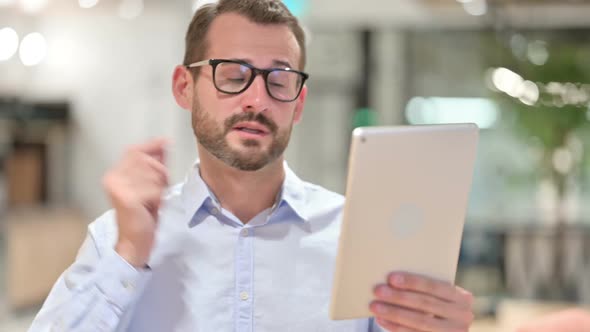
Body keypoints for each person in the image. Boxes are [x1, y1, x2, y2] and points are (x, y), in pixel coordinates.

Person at [28, 0, 474, 331]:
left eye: (279, 80)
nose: (257, 100)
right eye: (234, 75)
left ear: (298, 105)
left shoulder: (357, 238)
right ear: (185, 86)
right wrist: (129, 255)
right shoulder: (118, 239)